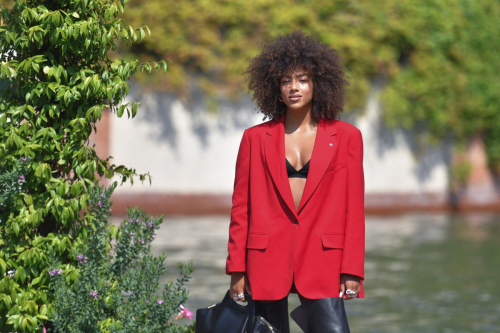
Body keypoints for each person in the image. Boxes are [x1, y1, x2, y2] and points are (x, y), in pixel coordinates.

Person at [225, 30, 365, 332]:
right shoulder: (254, 138)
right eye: (286, 80)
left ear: (318, 83)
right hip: (264, 258)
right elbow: (241, 208)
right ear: (275, 86)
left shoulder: (347, 137)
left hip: (324, 259)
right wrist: (237, 268)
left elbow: (353, 209)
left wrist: (352, 269)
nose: (294, 87)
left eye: (302, 79)